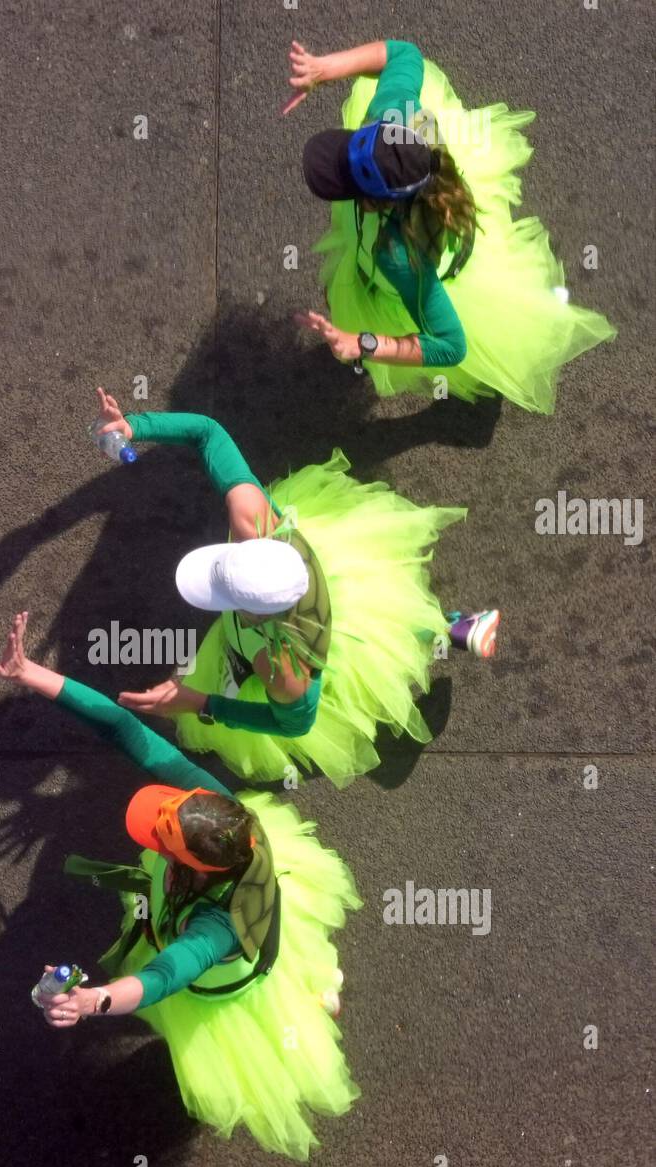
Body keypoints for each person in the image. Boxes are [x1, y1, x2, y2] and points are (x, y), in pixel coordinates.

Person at [0, 611, 361, 1161]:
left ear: (194, 863)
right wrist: (32, 674)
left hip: (225, 968)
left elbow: (165, 976)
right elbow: (127, 731)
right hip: (222, 907)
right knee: (288, 956)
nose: (155, 831)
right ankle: (316, 988)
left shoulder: (217, 927)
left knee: (264, 995)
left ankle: (311, 1001)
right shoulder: (217, 809)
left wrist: (92, 1000)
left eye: (161, 838)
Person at [96, 390, 498, 785]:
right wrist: (133, 426)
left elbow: (293, 725)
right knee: (385, 625)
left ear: (253, 615)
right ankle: (453, 628)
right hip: (329, 592)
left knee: (377, 646)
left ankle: (450, 629)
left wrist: (202, 704)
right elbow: (207, 432)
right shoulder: (252, 519)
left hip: (312, 641)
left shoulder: (284, 670)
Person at [286, 38, 616, 413]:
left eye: (344, 182)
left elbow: (450, 344)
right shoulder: (398, 116)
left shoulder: (397, 256)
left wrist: (362, 343)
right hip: (439, 232)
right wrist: (324, 69)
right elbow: (403, 54)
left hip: (418, 273)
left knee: (422, 313)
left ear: (373, 203)